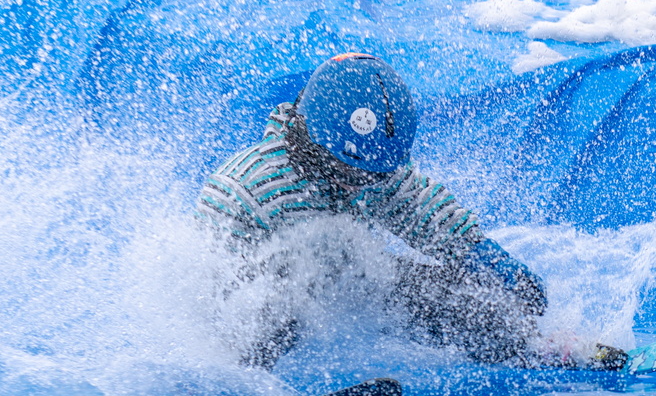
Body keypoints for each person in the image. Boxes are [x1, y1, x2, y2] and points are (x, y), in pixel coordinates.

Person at [197, 52, 564, 369]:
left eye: (375, 175)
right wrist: (237, 366)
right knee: (298, 267)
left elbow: (420, 208)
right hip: (263, 305)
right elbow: (214, 288)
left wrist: (480, 257)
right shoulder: (245, 190)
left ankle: (531, 346)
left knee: (473, 302)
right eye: (350, 172)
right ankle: (255, 378)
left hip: (354, 287)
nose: (360, 184)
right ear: (315, 142)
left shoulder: (367, 168)